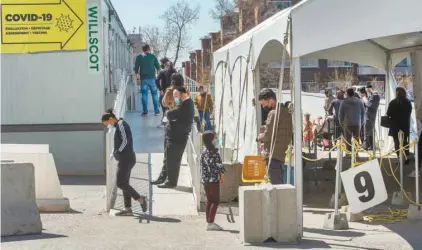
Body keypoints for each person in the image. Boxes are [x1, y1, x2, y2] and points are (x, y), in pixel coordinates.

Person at [101, 108, 147, 215]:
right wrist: (117, 152)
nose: (107, 125)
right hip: (126, 158)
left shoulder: (121, 124)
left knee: (120, 183)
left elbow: (125, 140)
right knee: (124, 183)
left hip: (126, 158)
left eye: (107, 123)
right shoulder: (118, 125)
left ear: (111, 119)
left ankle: (140, 199)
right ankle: (128, 209)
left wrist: (118, 152)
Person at [153, 86, 195, 188]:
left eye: (176, 95)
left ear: (183, 94)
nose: (175, 98)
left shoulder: (186, 104)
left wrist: (168, 112)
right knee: (168, 158)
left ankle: (171, 182)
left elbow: (171, 114)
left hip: (178, 137)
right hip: (173, 135)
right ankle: (163, 178)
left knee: (173, 160)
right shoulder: (183, 104)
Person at [257, 88, 293, 184]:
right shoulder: (286, 112)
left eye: (264, 104)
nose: (264, 107)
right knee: (279, 182)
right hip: (281, 153)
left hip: (273, 153)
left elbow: (268, 135)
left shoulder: (273, 113)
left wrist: (259, 137)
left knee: (276, 186)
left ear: (271, 100)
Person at [200, 131, 226, 231]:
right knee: (215, 201)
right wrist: (222, 175)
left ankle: (208, 221)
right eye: (215, 138)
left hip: (205, 179)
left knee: (210, 200)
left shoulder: (204, 151)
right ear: (211, 140)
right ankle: (210, 223)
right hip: (213, 179)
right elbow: (218, 166)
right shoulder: (214, 153)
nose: (217, 139)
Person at [134, 44, 161, 117]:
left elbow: (136, 69)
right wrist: (157, 78)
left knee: (144, 96)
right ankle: (157, 112)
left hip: (143, 80)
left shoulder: (139, 57)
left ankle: (145, 112)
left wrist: (138, 79)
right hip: (152, 79)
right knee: (155, 95)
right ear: (149, 49)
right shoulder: (153, 56)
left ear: (143, 50)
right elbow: (158, 68)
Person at [387, 87, 412, 163]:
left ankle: (399, 158)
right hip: (405, 125)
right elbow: (409, 112)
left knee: (397, 142)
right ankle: (406, 157)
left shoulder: (393, 102)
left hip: (395, 126)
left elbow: (388, 113)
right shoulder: (408, 102)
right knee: (405, 141)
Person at [156, 60, 176, 127]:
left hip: (164, 92)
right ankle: (171, 122)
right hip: (173, 92)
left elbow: (156, 80)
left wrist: (160, 89)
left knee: (165, 108)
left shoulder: (162, 71)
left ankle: (164, 123)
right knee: (172, 107)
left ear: (165, 65)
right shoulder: (175, 71)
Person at [363, 84, 380, 150]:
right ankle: (370, 145)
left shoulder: (375, 96)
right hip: (369, 116)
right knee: (369, 131)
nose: (366, 91)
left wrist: (365, 99)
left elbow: (370, 105)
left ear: (369, 89)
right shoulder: (372, 96)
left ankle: (366, 146)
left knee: (367, 131)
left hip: (370, 117)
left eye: (366, 89)